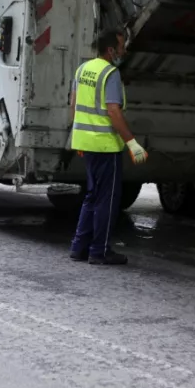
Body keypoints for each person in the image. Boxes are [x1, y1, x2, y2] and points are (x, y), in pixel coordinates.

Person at [68, 29, 148, 266]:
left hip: (86, 143)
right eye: (122, 47)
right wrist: (132, 143)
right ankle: (99, 251)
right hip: (105, 146)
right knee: (107, 199)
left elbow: (73, 104)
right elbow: (113, 111)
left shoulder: (82, 69)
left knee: (92, 196)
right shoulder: (110, 73)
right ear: (111, 50)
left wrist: (78, 137)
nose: (124, 51)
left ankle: (79, 247)